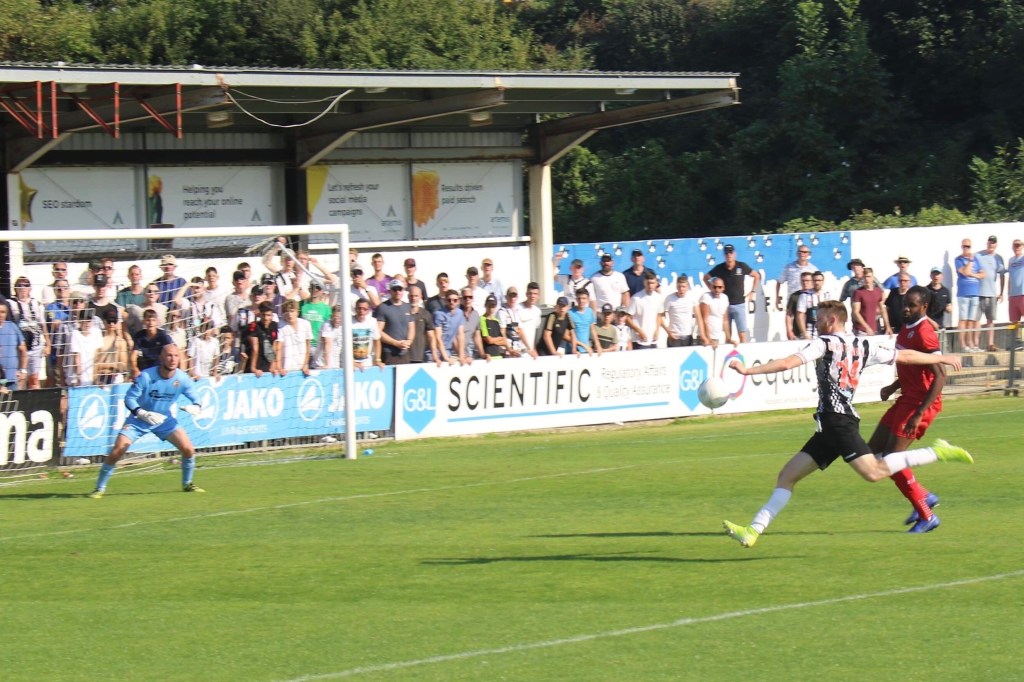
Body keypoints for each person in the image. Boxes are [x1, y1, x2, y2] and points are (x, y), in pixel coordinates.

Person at [722, 300, 971, 548]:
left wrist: (747, 371)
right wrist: (942, 358)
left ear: (832, 320)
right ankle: (752, 531)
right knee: (787, 476)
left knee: (874, 472)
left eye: (819, 318)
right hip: (829, 426)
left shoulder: (823, 343)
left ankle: (937, 452)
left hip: (838, 423)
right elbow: (905, 356)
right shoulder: (863, 345)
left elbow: (788, 363)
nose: (815, 322)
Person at [868, 286, 946, 533]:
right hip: (906, 399)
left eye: (911, 305)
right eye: (905, 304)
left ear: (924, 307)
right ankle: (924, 496)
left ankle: (926, 515)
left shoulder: (925, 333)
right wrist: (893, 386)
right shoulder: (906, 328)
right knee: (873, 452)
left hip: (921, 403)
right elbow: (913, 366)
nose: (906, 309)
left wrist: (920, 413)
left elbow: (940, 375)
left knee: (892, 458)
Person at [89, 345, 205, 498]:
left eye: (176, 356)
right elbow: (129, 398)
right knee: (117, 450)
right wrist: (142, 413)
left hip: (164, 420)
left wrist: (196, 406)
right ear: (161, 358)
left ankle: (187, 484)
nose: (173, 359)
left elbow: (196, 397)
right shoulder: (146, 376)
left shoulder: (182, 379)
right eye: (169, 355)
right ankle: (99, 488)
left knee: (188, 449)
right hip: (139, 420)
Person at [705, 244, 761, 343]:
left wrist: (752, 291)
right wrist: (713, 290)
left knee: (742, 335)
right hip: (725, 306)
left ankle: (744, 352)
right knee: (728, 336)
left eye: (730, 252)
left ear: (734, 253)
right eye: (726, 253)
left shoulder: (742, 266)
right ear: (724, 255)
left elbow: (756, 276)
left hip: (739, 304)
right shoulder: (720, 268)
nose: (729, 255)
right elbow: (706, 277)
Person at [8, 276, 49, 389]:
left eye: (26, 285)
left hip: (36, 345)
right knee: (20, 378)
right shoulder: (10, 303)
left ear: (30, 288)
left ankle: (36, 399)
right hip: (20, 347)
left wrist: (48, 344)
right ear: (15, 288)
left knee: (34, 378)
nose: (23, 288)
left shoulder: (36, 303)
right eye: (20, 285)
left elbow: (42, 324)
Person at [975, 235, 1006, 351]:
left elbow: (1002, 275)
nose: (991, 244)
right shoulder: (978, 255)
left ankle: (990, 344)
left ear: (996, 245)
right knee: (976, 320)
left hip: (992, 293)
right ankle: (975, 345)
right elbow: (972, 271)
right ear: (987, 243)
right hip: (978, 293)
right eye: (990, 242)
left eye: (993, 243)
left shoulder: (999, 258)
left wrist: (1001, 292)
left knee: (990, 320)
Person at [375, 279, 414, 365]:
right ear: (390, 291)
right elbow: (378, 331)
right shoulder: (383, 307)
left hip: (405, 352)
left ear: (403, 290)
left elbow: (411, 326)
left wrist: (409, 341)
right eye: (394, 289)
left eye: (400, 289)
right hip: (389, 352)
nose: (397, 292)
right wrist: (395, 343)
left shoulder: (407, 307)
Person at [955, 238, 984, 352]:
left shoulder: (977, 259)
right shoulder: (958, 259)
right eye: (964, 246)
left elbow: (983, 274)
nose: (966, 248)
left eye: (968, 246)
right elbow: (965, 272)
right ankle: (963, 345)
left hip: (975, 292)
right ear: (961, 247)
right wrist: (970, 262)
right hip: (963, 293)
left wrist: (973, 275)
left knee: (971, 320)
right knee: (963, 319)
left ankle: (971, 344)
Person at [626, 271, 664, 350]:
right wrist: (639, 331)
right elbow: (628, 319)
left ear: (656, 283)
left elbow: (659, 315)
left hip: (653, 340)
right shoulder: (636, 298)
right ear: (644, 283)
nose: (650, 286)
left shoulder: (658, 298)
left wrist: (657, 331)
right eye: (648, 283)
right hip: (639, 341)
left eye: (652, 283)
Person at [131, 308, 174, 378]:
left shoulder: (162, 335)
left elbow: (172, 350)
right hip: (144, 368)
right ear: (143, 322)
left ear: (157, 322)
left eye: (153, 320)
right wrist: (135, 369)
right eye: (148, 320)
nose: (151, 323)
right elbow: (133, 355)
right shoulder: (139, 335)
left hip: (160, 367)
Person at [662, 275, 703, 347]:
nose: (681, 289)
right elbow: (660, 316)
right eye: (679, 286)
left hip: (688, 336)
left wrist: (702, 334)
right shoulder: (669, 298)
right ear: (676, 286)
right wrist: (668, 332)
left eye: (683, 286)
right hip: (674, 337)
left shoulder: (692, 298)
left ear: (687, 287)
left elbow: (698, 317)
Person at [433, 290, 469, 366]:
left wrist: (461, 356)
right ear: (445, 301)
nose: (452, 302)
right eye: (449, 300)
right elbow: (438, 337)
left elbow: (460, 335)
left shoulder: (460, 313)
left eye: (455, 300)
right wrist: (446, 358)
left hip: (448, 350)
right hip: (436, 351)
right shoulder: (438, 314)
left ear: (458, 301)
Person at [247, 302, 284, 377]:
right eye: (263, 315)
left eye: (268, 315)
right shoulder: (254, 326)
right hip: (256, 363)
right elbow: (255, 349)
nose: (266, 318)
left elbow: (274, 346)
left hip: (267, 363)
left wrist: (272, 366)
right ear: (260, 314)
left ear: (272, 315)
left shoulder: (274, 325)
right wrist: (253, 368)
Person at [852, 268, 891, 336]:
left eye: (869, 277)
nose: (867, 279)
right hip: (861, 330)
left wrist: (887, 327)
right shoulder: (858, 292)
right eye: (865, 277)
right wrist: (867, 327)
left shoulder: (878, 291)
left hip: (875, 328)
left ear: (873, 278)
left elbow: (883, 310)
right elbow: (855, 312)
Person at [497, 286, 535, 358]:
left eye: (514, 296)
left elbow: (520, 331)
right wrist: (509, 349)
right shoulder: (502, 311)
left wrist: (529, 348)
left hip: (517, 348)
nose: (512, 299)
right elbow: (502, 332)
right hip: (506, 350)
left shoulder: (517, 310)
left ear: (517, 297)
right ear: (506, 297)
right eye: (510, 296)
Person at [300, 281, 331, 367]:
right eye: (313, 287)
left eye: (318, 288)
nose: (315, 290)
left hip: (318, 346)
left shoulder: (326, 308)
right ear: (309, 289)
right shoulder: (301, 305)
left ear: (322, 291)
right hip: (303, 344)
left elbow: (328, 328)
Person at [94, 309, 129, 385]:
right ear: (104, 322)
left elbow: (123, 365)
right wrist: (112, 365)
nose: (112, 324)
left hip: (115, 378)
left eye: (114, 321)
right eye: (109, 321)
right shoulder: (99, 340)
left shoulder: (121, 342)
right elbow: (95, 364)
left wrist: (106, 365)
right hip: (100, 378)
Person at [775, 245, 815, 311]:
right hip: (792, 301)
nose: (802, 253)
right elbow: (779, 282)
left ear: (809, 254)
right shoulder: (789, 267)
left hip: (807, 302)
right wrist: (777, 298)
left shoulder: (813, 270)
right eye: (800, 251)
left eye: (805, 252)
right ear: (797, 253)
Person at [408, 285, 441, 365]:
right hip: (404, 356)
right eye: (411, 295)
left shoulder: (425, 314)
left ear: (421, 296)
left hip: (420, 356)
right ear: (408, 296)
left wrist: (434, 355)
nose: (413, 298)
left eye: (416, 296)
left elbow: (431, 337)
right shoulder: (402, 311)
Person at [278, 299, 312, 376]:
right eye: (287, 312)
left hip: (301, 369)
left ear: (297, 312)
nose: (289, 314)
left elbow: (308, 347)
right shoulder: (281, 326)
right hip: (286, 369)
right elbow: (278, 348)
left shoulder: (306, 324)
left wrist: (305, 364)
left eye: (292, 311)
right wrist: (279, 368)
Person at [348, 298, 384, 369]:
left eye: (365, 309)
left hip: (367, 362)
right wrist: (351, 362)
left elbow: (377, 341)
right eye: (359, 308)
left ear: (368, 311)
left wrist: (378, 359)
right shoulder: (349, 321)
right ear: (355, 309)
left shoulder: (372, 321)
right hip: (350, 363)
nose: (361, 311)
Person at [480, 295, 517, 359]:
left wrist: (510, 350)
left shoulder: (496, 321)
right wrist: (499, 339)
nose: (491, 308)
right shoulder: (482, 319)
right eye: (489, 306)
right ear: (485, 305)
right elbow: (488, 340)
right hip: (488, 357)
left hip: (498, 356)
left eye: (493, 306)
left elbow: (503, 340)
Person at [0, 304, 28, 390]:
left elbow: (23, 350)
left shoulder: (12, 327)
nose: (0, 315)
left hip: (12, 379)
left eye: (3, 312)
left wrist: (23, 370)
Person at [699, 277, 732, 347]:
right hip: (707, 339)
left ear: (723, 288)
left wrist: (728, 338)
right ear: (711, 287)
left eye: (719, 287)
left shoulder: (725, 298)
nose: (717, 289)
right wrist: (708, 338)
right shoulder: (706, 297)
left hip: (718, 337)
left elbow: (725, 320)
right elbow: (704, 320)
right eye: (715, 287)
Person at [795, 271, 827, 340]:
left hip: (824, 334)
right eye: (815, 280)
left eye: (819, 280)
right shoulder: (805, 295)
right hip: (809, 334)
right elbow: (800, 315)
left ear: (823, 281)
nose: (817, 283)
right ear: (812, 281)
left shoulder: (827, 295)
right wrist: (805, 334)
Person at [517, 282, 543, 354]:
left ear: (538, 296)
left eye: (535, 294)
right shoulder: (518, 308)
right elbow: (519, 331)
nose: (532, 296)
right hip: (519, 351)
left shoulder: (537, 311)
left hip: (530, 352)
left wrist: (533, 349)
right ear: (526, 294)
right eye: (530, 293)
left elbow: (533, 333)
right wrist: (529, 348)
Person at [568, 288, 597, 354]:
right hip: (574, 350)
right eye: (579, 298)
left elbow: (593, 329)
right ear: (576, 299)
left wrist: (598, 345)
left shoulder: (590, 311)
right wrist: (580, 345)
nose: (581, 301)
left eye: (584, 298)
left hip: (587, 349)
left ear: (588, 299)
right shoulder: (570, 313)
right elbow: (567, 335)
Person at [459, 287, 482, 359]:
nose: (467, 299)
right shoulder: (456, 314)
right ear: (461, 299)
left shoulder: (475, 314)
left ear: (473, 298)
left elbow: (476, 336)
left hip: (467, 352)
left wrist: (482, 354)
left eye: (470, 297)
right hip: (455, 352)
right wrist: (462, 355)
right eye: (465, 297)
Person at [1009, 239, 1024, 324]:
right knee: (1014, 321)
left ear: (1022, 247)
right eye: (1015, 246)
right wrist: (1008, 294)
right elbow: (1010, 277)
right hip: (1013, 295)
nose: (1017, 248)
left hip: (1022, 293)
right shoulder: (1011, 260)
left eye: (1019, 246)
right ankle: (1017, 334)